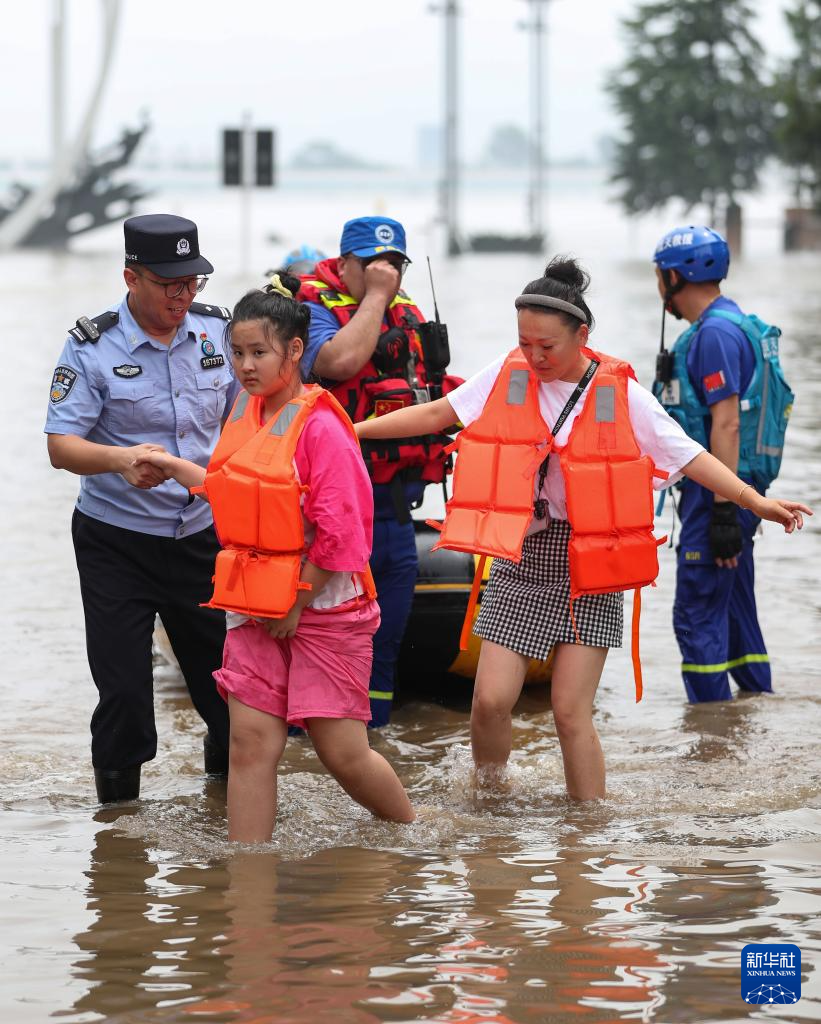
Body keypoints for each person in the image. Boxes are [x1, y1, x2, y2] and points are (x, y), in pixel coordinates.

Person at [354, 257, 811, 800]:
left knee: (570, 713)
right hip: (522, 556)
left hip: (591, 561)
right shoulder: (508, 374)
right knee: (489, 703)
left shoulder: (621, 393)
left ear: (582, 335)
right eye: (525, 342)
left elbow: (688, 455)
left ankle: (586, 835)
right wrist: (349, 431)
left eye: (547, 345)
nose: (535, 356)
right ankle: (491, 803)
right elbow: (436, 415)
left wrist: (753, 501)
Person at [136, 275, 415, 841]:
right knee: (249, 744)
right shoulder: (246, 411)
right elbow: (229, 487)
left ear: (294, 350)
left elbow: (343, 538)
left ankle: (413, 830)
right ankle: (249, 880)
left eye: (259, 352)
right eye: (237, 353)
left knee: (341, 752)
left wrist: (298, 601)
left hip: (324, 605)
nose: (245, 365)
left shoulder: (321, 427)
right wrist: (170, 466)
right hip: (253, 604)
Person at [45, 213, 238, 804]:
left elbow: (246, 418)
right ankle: (119, 845)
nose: (184, 295)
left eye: (193, 282)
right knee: (125, 691)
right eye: (169, 283)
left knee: (229, 688)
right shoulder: (91, 347)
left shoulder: (216, 333)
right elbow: (60, 446)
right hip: (115, 540)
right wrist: (119, 459)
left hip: (203, 535)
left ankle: (224, 801)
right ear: (131, 276)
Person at [296, 216, 458, 727]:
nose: (384, 273)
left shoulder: (407, 312)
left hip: (392, 508)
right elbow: (338, 362)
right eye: (370, 264)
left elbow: (434, 393)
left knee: (383, 647)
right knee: (325, 641)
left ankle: (380, 748)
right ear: (344, 264)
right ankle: (310, 756)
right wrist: (375, 298)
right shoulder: (314, 305)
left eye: (394, 264)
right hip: (331, 511)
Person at [652, 226, 795, 702]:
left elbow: (727, 424)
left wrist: (719, 513)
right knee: (735, 608)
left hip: (718, 492)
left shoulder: (713, 334)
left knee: (696, 611)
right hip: (738, 490)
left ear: (674, 276)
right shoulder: (735, 323)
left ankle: (711, 737)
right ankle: (756, 713)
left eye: (659, 275)